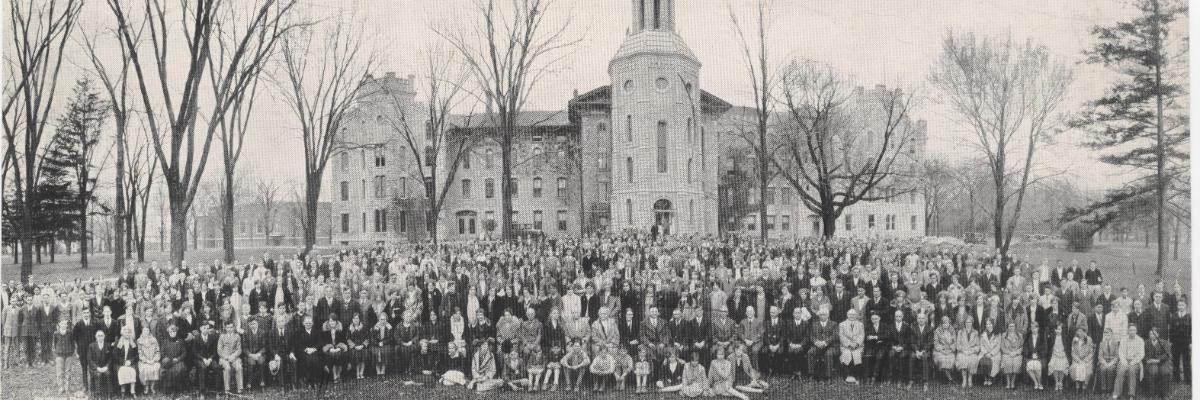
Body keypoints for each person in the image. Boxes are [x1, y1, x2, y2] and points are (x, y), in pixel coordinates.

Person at [1112, 323, 1144, 399]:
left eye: (1134, 330)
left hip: (1135, 361)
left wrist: (1133, 362)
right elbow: (1121, 352)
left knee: (1132, 370)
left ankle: (1131, 394)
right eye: (1130, 330)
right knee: (1121, 371)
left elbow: (1141, 354)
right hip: (1124, 360)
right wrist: (1124, 361)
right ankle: (1117, 392)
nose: (1132, 332)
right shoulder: (1123, 339)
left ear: (1136, 331)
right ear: (1127, 331)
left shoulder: (1140, 340)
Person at [1143, 327, 1172, 398]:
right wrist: (1148, 360)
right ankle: (1152, 394)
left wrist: (1158, 360)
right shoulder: (1146, 343)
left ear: (1158, 334)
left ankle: (1164, 394)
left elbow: (1167, 354)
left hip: (1162, 362)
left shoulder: (1164, 342)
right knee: (1153, 371)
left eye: (1154, 334)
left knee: (1165, 371)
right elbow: (1143, 354)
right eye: (1150, 334)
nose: (1152, 335)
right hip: (1151, 362)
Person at [839, 309, 865, 384]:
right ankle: (847, 376)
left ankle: (856, 376)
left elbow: (862, 335)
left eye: (854, 315)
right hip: (846, 346)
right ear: (847, 315)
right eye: (850, 314)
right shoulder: (842, 324)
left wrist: (856, 344)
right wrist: (849, 344)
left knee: (856, 355)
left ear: (856, 316)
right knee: (847, 354)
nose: (852, 316)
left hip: (858, 346)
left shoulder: (860, 324)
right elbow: (841, 336)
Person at [217, 321, 244, 393]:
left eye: (231, 327)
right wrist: (226, 357)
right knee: (227, 368)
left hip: (234, 357)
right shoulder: (222, 336)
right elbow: (219, 350)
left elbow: (239, 349)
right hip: (224, 357)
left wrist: (233, 356)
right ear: (225, 328)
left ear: (234, 327)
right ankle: (227, 389)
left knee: (239, 367)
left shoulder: (237, 336)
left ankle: (240, 388)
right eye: (228, 327)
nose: (230, 329)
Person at [136, 325, 161, 394]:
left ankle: (152, 386)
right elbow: (139, 352)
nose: (146, 332)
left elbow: (157, 351)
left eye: (147, 330)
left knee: (155, 367)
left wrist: (154, 359)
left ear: (149, 331)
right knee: (145, 368)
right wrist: (146, 360)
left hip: (153, 360)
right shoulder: (139, 341)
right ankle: (146, 387)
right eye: (144, 330)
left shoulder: (154, 339)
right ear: (142, 331)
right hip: (144, 361)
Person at [1169, 300, 1190, 383]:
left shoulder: (1189, 316)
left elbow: (1192, 330)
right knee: (1175, 361)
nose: (1181, 306)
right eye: (1179, 305)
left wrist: (1190, 342)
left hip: (1185, 342)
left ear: (1185, 306)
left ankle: (1188, 379)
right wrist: (1171, 341)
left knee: (1186, 361)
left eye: (1182, 305)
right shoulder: (1174, 316)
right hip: (1176, 342)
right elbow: (1171, 329)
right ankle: (1176, 378)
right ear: (1177, 306)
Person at [52, 319, 74, 394]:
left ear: (67, 325)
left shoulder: (70, 333)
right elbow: (55, 344)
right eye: (62, 323)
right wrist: (57, 351)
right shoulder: (56, 333)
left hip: (68, 354)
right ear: (59, 324)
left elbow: (72, 343)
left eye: (65, 324)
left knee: (68, 371)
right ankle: (61, 388)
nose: (63, 325)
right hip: (59, 355)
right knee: (59, 372)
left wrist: (71, 352)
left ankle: (67, 388)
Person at [88, 329, 113, 396]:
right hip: (96, 368)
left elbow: (110, 359)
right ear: (96, 337)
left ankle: (109, 394)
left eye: (101, 335)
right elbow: (90, 359)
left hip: (105, 367)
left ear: (104, 336)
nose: (100, 337)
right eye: (98, 336)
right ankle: (97, 394)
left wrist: (106, 367)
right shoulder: (91, 346)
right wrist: (97, 368)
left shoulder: (108, 345)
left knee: (108, 374)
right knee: (98, 375)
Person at [1096, 326, 1120, 394]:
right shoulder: (1102, 343)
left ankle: (1109, 389)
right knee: (1103, 369)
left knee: (1110, 369)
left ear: (1112, 335)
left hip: (1112, 362)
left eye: (1109, 334)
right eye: (1105, 335)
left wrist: (1111, 363)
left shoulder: (1115, 343)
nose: (1107, 336)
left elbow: (1117, 356)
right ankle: (1104, 389)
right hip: (1104, 361)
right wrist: (1104, 363)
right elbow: (1100, 356)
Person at [1024, 320, 1046, 390]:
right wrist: (1029, 354)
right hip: (1030, 356)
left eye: (1035, 328)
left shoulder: (1042, 337)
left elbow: (1044, 347)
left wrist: (1038, 354)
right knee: (1029, 367)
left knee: (1037, 367)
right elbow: (1025, 346)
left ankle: (1040, 382)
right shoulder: (1028, 336)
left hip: (1039, 356)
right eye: (1032, 328)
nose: (1033, 330)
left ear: (1038, 328)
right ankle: (1036, 382)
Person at [1046, 323, 1069, 391]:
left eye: (1059, 329)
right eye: (1056, 329)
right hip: (1054, 354)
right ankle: (1056, 382)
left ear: (1061, 330)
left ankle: (1061, 382)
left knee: (1062, 366)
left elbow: (1066, 347)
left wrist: (1063, 353)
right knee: (1054, 366)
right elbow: (1050, 347)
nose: (1057, 331)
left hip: (1062, 354)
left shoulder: (1065, 337)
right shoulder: (1052, 336)